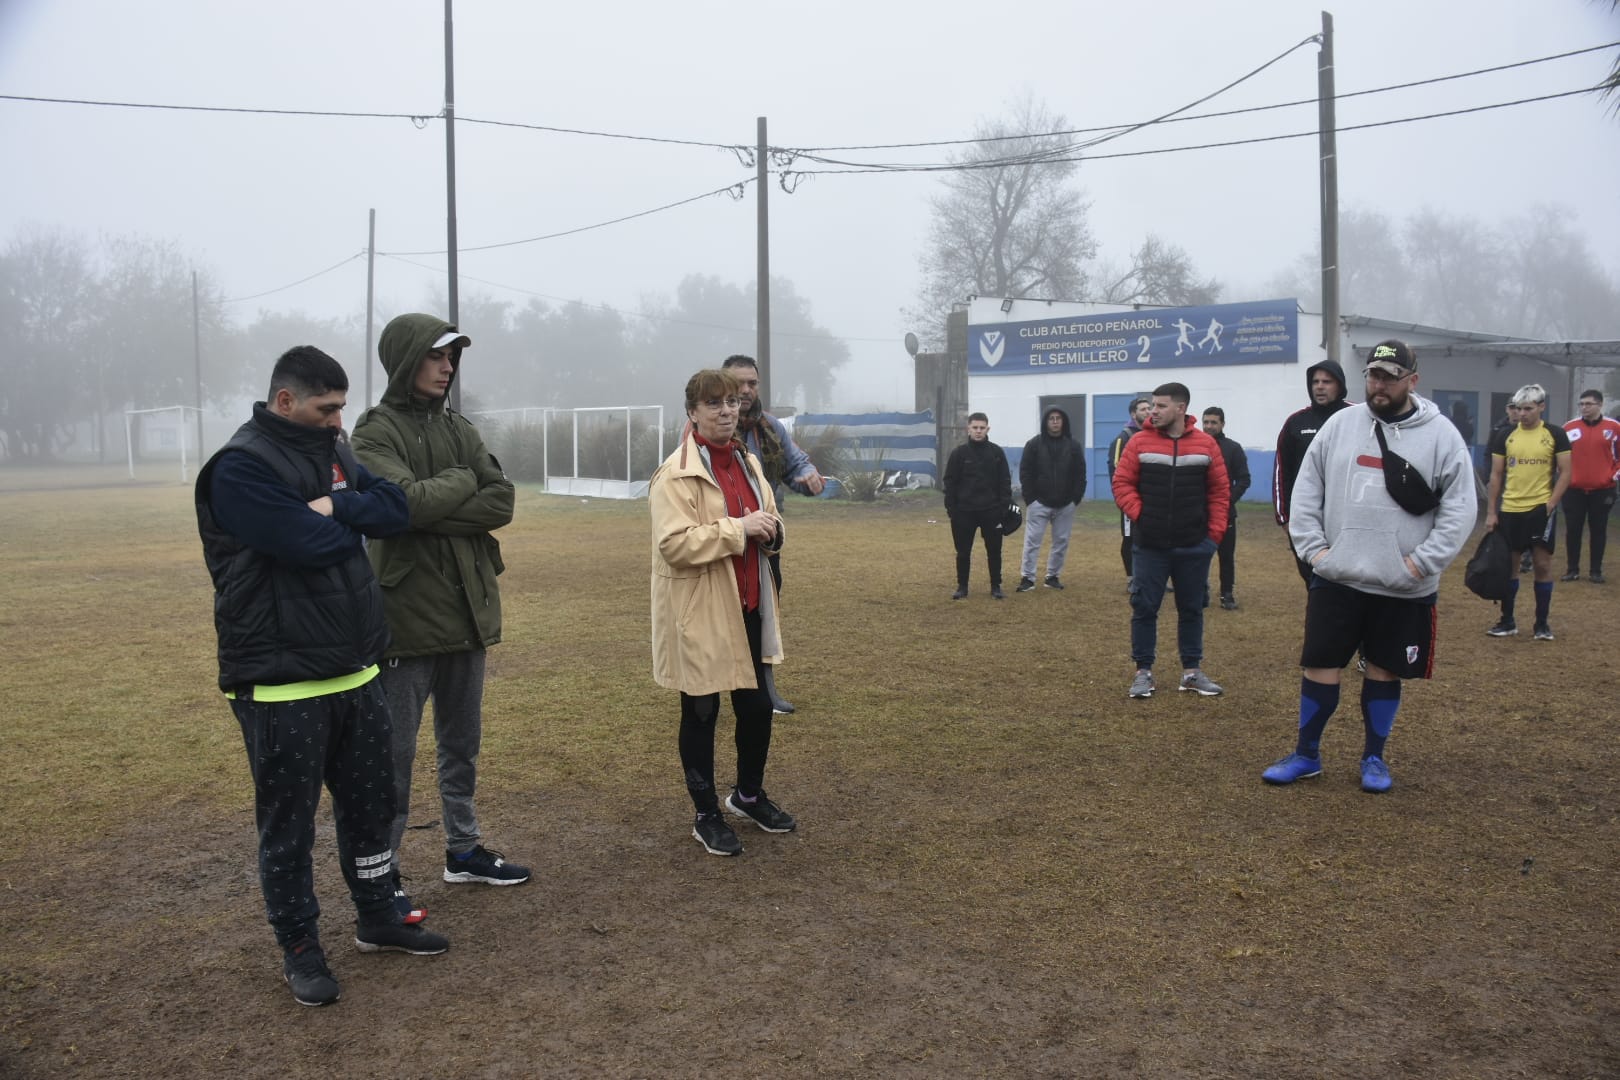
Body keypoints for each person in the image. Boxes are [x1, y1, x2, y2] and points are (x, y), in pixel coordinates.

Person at [195, 346, 449, 1008]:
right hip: (281, 682)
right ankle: (300, 947)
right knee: (290, 827)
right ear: (286, 401)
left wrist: (335, 506)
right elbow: (307, 547)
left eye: (342, 407)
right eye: (327, 408)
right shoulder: (239, 467)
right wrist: (345, 520)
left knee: (372, 807)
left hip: (356, 669)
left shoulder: (334, 451)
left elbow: (393, 510)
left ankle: (378, 915)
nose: (339, 420)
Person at [350, 314, 530, 927]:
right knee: (393, 756)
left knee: (462, 746)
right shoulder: (374, 431)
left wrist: (429, 503)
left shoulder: (459, 426)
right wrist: (457, 483)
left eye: (452, 356)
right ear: (406, 359)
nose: (447, 366)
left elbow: (501, 500)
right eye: (435, 355)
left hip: (468, 612)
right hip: (405, 619)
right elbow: (400, 506)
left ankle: (464, 850)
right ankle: (384, 874)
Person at [1261, 339, 1476, 793]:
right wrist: (1315, 551)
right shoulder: (1340, 425)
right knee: (1320, 664)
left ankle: (1374, 758)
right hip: (1337, 576)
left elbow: (1460, 510)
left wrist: (1420, 564)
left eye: (1391, 377)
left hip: (1402, 584)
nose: (1380, 385)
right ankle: (1306, 754)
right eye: (1374, 376)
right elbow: (1306, 491)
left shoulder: (1442, 436)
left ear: (1412, 381)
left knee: (1383, 669)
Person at [650, 368, 793, 857]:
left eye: (731, 402)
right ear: (692, 413)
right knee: (702, 712)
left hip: (750, 607)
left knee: (757, 708)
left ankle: (748, 796)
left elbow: (768, 518)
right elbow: (674, 545)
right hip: (703, 612)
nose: (727, 411)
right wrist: (740, 529)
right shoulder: (675, 474)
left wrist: (772, 531)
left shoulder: (748, 463)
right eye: (714, 404)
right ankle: (706, 814)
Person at [720, 354, 824, 714]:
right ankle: (709, 696)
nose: (746, 390)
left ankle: (765, 692)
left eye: (752, 383)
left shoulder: (770, 427)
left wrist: (808, 477)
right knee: (718, 620)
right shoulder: (708, 427)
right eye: (738, 383)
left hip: (765, 543)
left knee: (763, 619)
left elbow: (796, 463)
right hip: (722, 540)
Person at [1112, 382, 1230, 699]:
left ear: (1181, 408)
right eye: (1152, 405)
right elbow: (1122, 483)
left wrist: (1212, 536)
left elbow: (1220, 493)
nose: (1153, 411)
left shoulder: (1206, 445)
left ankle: (1191, 673)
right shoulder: (1139, 442)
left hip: (1194, 545)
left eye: (1161, 406)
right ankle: (1143, 673)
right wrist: (1142, 516)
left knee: (1192, 609)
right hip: (1150, 545)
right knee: (1144, 608)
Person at [1484, 383, 1571, 640]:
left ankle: (1541, 624)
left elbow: (1566, 472)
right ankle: (1507, 620)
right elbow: (1496, 475)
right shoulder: (1505, 435)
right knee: (1510, 566)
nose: (1522, 414)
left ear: (1541, 407)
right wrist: (1491, 511)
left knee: (1542, 565)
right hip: (1510, 509)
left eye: (1528, 409)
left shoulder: (1555, 434)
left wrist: (1551, 504)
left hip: (1540, 509)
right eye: (1518, 408)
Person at [1274, 359, 1352, 584]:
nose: (1319, 387)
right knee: (1313, 579)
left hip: (1347, 517)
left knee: (1347, 581)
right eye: (1315, 382)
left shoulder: (1357, 417)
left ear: (1339, 385)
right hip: (1307, 518)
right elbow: (1282, 471)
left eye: (1327, 382)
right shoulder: (1296, 422)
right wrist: (1284, 518)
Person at [1016, 406, 1087, 592]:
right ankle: (1028, 578)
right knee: (1032, 541)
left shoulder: (1073, 446)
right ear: (1045, 422)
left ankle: (1052, 576)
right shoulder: (1033, 445)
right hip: (1038, 503)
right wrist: (1030, 499)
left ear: (1064, 421)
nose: (1055, 422)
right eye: (1051, 418)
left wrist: (1075, 498)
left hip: (1065, 504)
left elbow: (1080, 473)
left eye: (1058, 418)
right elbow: (1025, 472)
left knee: (1061, 541)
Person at [943, 412, 1012, 600]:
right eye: (975, 427)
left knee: (994, 551)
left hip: (992, 511)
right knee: (963, 552)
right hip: (964, 513)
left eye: (982, 428)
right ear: (968, 429)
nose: (978, 431)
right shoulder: (958, 454)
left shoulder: (996, 453)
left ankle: (996, 586)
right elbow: (950, 482)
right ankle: (962, 587)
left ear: (988, 429)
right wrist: (952, 509)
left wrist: (1003, 508)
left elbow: (1005, 481)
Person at [1560, 389, 1620, 584]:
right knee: (1573, 530)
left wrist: (1613, 475)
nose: (1584, 408)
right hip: (1573, 489)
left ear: (1600, 405)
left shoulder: (1614, 427)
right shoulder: (1569, 427)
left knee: (1598, 529)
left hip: (1602, 489)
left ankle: (1596, 570)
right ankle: (1572, 569)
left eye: (1588, 404)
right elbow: (1559, 455)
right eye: (1582, 404)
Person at [1201, 406, 1251, 609]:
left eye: (1213, 422)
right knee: (1198, 555)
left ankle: (1226, 594)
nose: (1209, 426)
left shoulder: (1233, 448)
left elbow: (1244, 479)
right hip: (1197, 513)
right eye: (1206, 422)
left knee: (1226, 556)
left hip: (1224, 514)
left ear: (1222, 424)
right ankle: (1199, 592)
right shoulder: (1195, 446)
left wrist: (1227, 501)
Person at [1108, 396, 1152, 587]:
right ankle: (1132, 579)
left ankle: (1151, 576)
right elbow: (1116, 470)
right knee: (1130, 538)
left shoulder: (1155, 435)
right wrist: (1124, 498)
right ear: (1134, 414)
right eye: (1143, 409)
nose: (1148, 412)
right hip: (1131, 499)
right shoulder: (1124, 438)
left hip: (1151, 499)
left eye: (1149, 408)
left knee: (1150, 538)